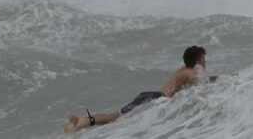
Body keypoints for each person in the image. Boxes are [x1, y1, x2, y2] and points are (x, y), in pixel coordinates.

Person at [63, 45, 217, 133]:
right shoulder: (192, 71)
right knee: (119, 119)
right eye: (203, 58)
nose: (205, 60)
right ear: (198, 60)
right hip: (156, 99)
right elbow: (201, 81)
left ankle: (83, 120)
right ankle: (80, 123)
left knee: (118, 116)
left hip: (150, 96)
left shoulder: (183, 69)